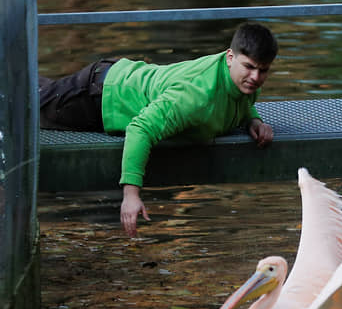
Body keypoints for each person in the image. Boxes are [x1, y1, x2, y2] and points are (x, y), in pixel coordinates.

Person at [39, 22, 279, 238]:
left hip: (122, 79)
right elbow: (140, 130)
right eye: (249, 67)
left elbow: (239, 102)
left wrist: (253, 121)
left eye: (263, 70)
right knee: (25, 108)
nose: (256, 77)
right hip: (99, 95)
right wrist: (131, 196)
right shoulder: (194, 97)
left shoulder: (243, 81)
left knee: (38, 94)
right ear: (230, 57)